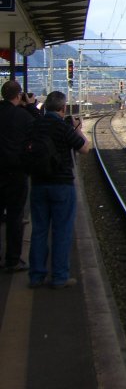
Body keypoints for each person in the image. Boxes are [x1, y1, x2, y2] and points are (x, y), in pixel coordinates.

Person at [27, 91, 90, 289]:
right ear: (63, 109)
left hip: (38, 184)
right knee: (62, 231)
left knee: (39, 231)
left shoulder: (35, 124)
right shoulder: (63, 127)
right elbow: (84, 148)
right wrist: (78, 129)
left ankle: (36, 276)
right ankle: (60, 277)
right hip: (62, 185)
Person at [0, 80, 35, 272]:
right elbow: (37, 133)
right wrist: (30, 106)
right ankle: (12, 259)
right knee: (15, 217)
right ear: (19, 95)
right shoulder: (23, 116)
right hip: (16, 173)